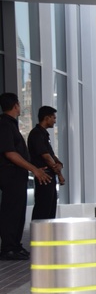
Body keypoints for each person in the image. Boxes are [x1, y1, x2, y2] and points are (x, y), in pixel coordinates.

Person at [0, 93, 52, 260]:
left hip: (17, 175)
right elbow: (10, 153)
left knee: (18, 211)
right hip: (10, 175)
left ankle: (15, 245)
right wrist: (34, 170)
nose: (20, 107)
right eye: (19, 104)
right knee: (11, 211)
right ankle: (8, 248)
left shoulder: (11, 125)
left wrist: (33, 168)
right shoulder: (5, 125)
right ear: (16, 106)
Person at [28, 106, 65, 220]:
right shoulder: (36, 134)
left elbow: (52, 155)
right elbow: (47, 157)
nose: (55, 120)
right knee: (43, 208)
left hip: (50, 176)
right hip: (44, 176)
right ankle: (39, 235)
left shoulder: (44, 134)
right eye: (53, 118)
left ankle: (48, 235)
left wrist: (60, 164)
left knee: (50, 207)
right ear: (46, 118)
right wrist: (59, 174)